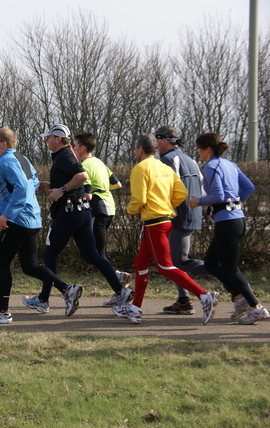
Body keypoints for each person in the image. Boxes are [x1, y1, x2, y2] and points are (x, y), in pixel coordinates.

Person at [22, 124, 133, 317]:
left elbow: (81, 176)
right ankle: (120, 291)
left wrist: (61, 190)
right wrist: (51, 186)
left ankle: (45, 299)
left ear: (57, 139)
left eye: (48, 137)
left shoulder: (64, 155)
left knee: (50, 254)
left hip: (68, 212)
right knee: (92, 254)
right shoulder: (69, 154)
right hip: (81, 212)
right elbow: (77, 181)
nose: (45, 140)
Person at [114, 134, 219, 324]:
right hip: (165, 221)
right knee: (140, 264)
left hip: (154, 222)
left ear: (140, 149)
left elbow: (138, 200)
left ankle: (204, 296)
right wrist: (165, 204)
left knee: (165, 266)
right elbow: (181, 194)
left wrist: (131, 210)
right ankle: (135, 308)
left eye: (134, 148)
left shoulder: (140, 168)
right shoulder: (165, 167)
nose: (134, 151)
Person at [0, 128, 64, 324]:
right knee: (30, 266)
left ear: (3, 144)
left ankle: (2, 311)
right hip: (32, 220)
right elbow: (32, 182)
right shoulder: (21, 158)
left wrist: (6, 214)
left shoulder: (6, 161)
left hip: (16, 220)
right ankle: (67, 289)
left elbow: (23, 187)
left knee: (1, 263)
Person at [189, 132, 269, 325]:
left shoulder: (210, 166)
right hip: (236, 220)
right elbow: (248, 187)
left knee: (230, 268)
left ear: (208, 149)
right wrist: (234, 202)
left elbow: (217, 195)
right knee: (210, 263)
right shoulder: (230, 165)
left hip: (227, 223)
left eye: (199, 148)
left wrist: (198, 201)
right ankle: (240, 298)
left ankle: (256, 307)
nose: (198, 152)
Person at [72, 133, 132, 307]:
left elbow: (85, 187)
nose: (74, 149)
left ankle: (119, 285)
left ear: (82, 148)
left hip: (98, 209)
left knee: (95, 253)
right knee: (91, 252)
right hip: (109, 208)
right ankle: (118, 282)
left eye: (75, 146)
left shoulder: (83, 166)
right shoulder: (99, 162)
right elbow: (118, 184)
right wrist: (103, 186)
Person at [155, 125, 208, 315]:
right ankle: (184, 300)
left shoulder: (168, 160)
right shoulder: (189, 159)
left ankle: (222, 270)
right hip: (191, 211)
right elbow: (203, 188)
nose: (155, 145)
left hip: (179, 214)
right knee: (172, 260)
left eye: (157, 140)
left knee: (178, 261)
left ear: (165, 141)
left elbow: (168, 189)